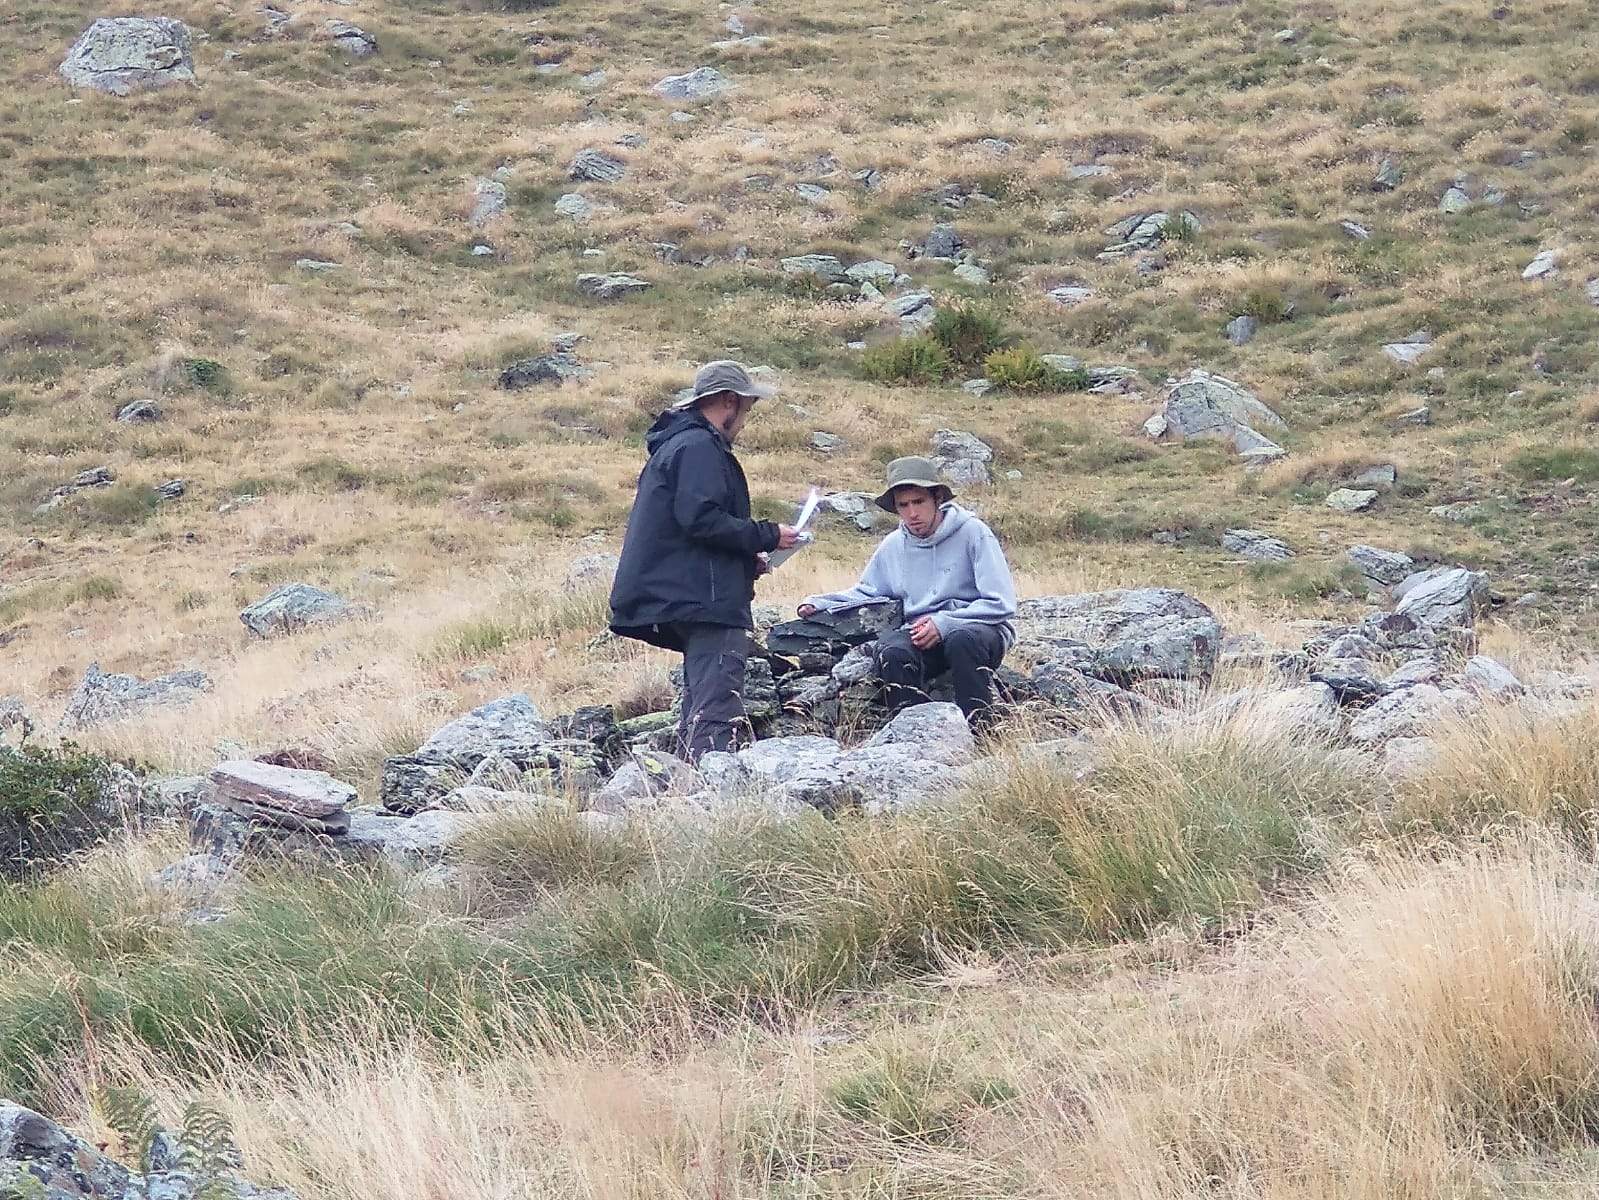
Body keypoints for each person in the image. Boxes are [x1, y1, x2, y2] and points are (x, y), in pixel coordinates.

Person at [609, 361, 800, 761]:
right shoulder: (699, 447)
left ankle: (685, 787)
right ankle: (709, 797)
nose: (746, 420)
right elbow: (702, 519)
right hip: (707, 605)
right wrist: (767, 535)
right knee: (716, 712)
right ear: (728, 401)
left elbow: (691, 529)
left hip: (688, 596)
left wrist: (747, 561)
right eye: (746, 408)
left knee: (698, 708)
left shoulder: (679, 446)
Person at [798, 456, 1017, 732]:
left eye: (919, 502)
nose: (912, 513)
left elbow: (1001, 602)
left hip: (979, 631)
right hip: (921, 632)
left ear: (937, 498)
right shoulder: (893, 545)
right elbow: (868, 592)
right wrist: (819, 604)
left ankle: (982, 733)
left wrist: (944, 623)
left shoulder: (974, 533)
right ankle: (914, 738)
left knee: (963, 640)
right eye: (903, 505)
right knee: (893, 652)